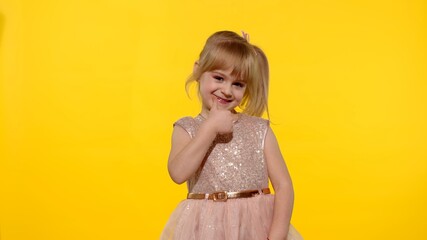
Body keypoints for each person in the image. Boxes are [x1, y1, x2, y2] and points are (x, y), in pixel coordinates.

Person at [161, 31, 303, 240]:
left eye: (238, 84)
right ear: (198, 70)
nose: (227, 91)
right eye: (219, 78)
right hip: (206, 231)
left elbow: (283, 185)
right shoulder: (187, 128)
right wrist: (209, 128)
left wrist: (277, 235)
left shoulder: (258, 129)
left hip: (256, 229)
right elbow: (178, 173)